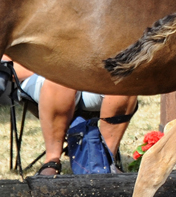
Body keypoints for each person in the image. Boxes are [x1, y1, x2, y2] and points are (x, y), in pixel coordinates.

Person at [3, 56, 138, 175]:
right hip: (41, 75)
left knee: (124, 82)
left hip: (91, 74)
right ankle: (52, 161)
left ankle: (105, 160)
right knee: (60, 79)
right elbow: (6, 61)